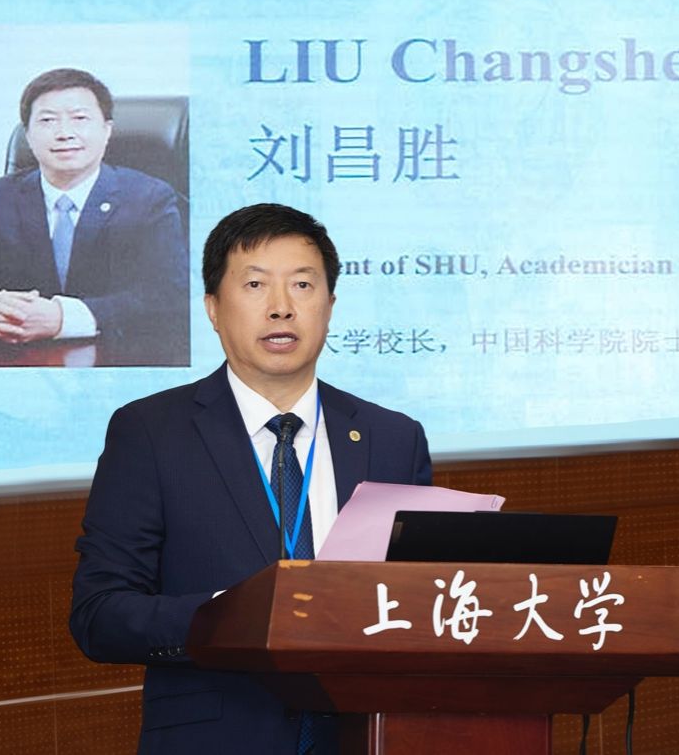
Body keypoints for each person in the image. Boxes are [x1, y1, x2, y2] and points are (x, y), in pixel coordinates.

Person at [69, 203, 433, 755]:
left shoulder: (393, 438)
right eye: (256, 285)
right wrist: (231, 614)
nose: (281, 307)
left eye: (303, 285)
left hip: (364, 738)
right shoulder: (151, 433)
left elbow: (421, 604)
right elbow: (100, 615)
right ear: (213, 308)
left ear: (330, 306)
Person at [0, 67, 187, 365]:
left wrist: (64, 318)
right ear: (27, 135)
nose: (64, 133)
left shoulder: (149, 198)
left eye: (80, 118)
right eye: (47, 120)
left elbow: (171, 294)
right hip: (17, 363)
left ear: (107, 130)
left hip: (121, 363)